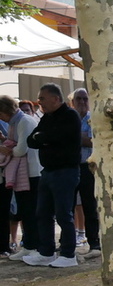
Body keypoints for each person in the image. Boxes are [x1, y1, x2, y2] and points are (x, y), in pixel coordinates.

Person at [22, 83, 82, 268]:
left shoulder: (70, 115)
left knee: (63, 214)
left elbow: (58, 137)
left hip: (66, 171)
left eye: (42, 98)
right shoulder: (46, 117)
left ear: (56, 99)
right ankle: (46, 252)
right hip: (47, 172)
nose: (39, 102)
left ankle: (68, 254)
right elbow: (31, 140)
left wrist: (44, 138)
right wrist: (44, 138)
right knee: (42, 213)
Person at [0, 95, 41, 263]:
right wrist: (6, 142)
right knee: (25, 211)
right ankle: (29, 245)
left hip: (32, 172)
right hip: (23, 173)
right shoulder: (14, 123)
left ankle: (35, 246)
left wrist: (6, 149)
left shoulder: (24, 121)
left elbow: (21, 149)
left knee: (31, 211)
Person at [70, 88, 102, 260]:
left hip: (88, 167)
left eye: (84, 99)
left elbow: (93, 141)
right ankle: (68, 244)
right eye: (78, 99)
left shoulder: (93, 119)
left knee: (90, 206)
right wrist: (80, 137)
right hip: (70, 166)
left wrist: (74, 137)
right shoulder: (70, 118)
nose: (82, 102)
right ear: (73, 102)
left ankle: (94, 243)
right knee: (68, 207)